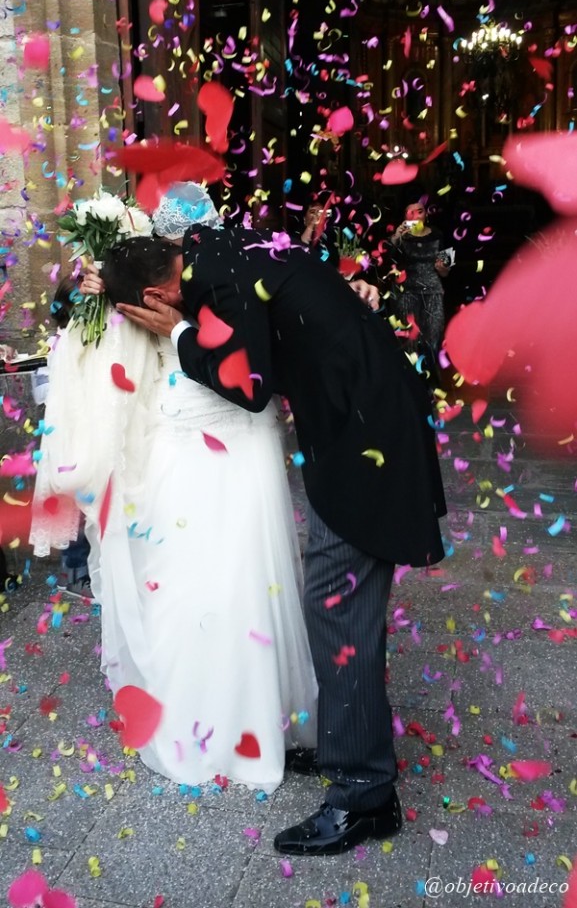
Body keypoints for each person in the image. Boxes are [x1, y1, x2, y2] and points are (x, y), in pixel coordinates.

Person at [100, 214, 447, 856]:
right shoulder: (224, 244)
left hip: (365, 431)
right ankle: (352, 754)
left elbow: (249, 388)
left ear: (153, 298)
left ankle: (364, 795)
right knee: (336, 604)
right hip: (359, 417)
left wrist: (177, 332)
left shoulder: (214, 282)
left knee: (335, 604)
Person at [30, 186, 318, 794]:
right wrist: (87, 290)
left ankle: (242, 714)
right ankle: (222, 712)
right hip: (194, 442)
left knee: (240, 578)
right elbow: (71, 319)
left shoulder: (217, 271)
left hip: (228, 441)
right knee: (206, 581)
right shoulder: (144, 275)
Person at [31, 277, 93, 601]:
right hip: (67, 431)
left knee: (84, 503)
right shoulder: (62, 343)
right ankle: (75, 574)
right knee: (73, 503)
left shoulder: (76, 340)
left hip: (81, 427)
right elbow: (42, 392)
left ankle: (83, 572)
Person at [390, 201, 451, 380]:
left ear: (426, 215)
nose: (415, 216)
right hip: (407, 292)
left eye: (419, 211)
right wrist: (396, 237)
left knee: (433, 338)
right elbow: (385, 259)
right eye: (410, 213)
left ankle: (432, 384)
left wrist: (442, 267)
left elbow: (447, 271)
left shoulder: (439, 235)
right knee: (410, 341)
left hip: (433, 291)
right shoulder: (401, 238)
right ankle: (412, 384)